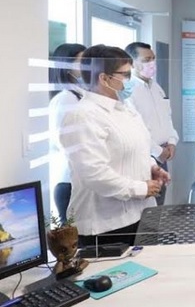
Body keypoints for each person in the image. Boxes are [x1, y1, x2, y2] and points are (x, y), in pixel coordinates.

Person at [60, 45, 170, 246]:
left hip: (141, 215)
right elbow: (94, 174)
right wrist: (141, 188)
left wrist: (152, 167)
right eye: (126, 75)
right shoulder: (82, 116)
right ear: (104, 78)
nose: (131, 79)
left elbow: (139, 148)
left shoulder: (126, 109)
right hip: (106, 225)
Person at [125, 42, 179, 206]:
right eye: (146, 59)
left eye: (153, 58)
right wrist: (157, 151)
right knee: (146, 206)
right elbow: (135, 129)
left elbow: (167, 118)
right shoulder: (127, 90)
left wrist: (172, 142)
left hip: (163, 155)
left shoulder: (156, 87)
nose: (152, 63)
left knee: (159, 205)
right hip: (144, 156)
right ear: (132, 63)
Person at [48, 42, 86, 225]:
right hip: (69, 181)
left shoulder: (80, 94)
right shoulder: (64, 99)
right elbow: (63, 140)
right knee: (71, 234)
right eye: (81, 61)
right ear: (66, 65)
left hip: (80, 179)